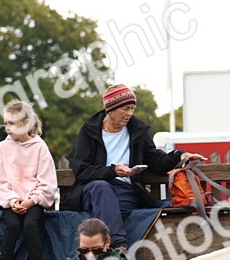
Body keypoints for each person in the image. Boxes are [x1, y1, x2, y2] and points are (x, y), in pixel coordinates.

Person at [60, 83, 204, 249]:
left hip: (125, 191)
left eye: (132, 108)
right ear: (111, 109)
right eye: (125, 108)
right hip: (92, 191)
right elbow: (82, 171)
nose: (130, 113)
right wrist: (112, 171)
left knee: (118, 208)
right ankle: (119, 247)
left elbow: (155, 161)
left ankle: (107, 250)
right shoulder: (89, 131)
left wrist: (180, 155)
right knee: (101, 188)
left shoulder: (138, 130)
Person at [0, 101, 57, 260]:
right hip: (11, 201)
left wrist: (31, 200)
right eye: (6, 123)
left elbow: (47, 181)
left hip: (34, 201)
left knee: (30, 225)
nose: (7, 128)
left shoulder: (40, 148)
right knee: (12, 224)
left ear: (26, 122)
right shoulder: (2, 148)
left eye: (12, 123)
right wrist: (12, 201)